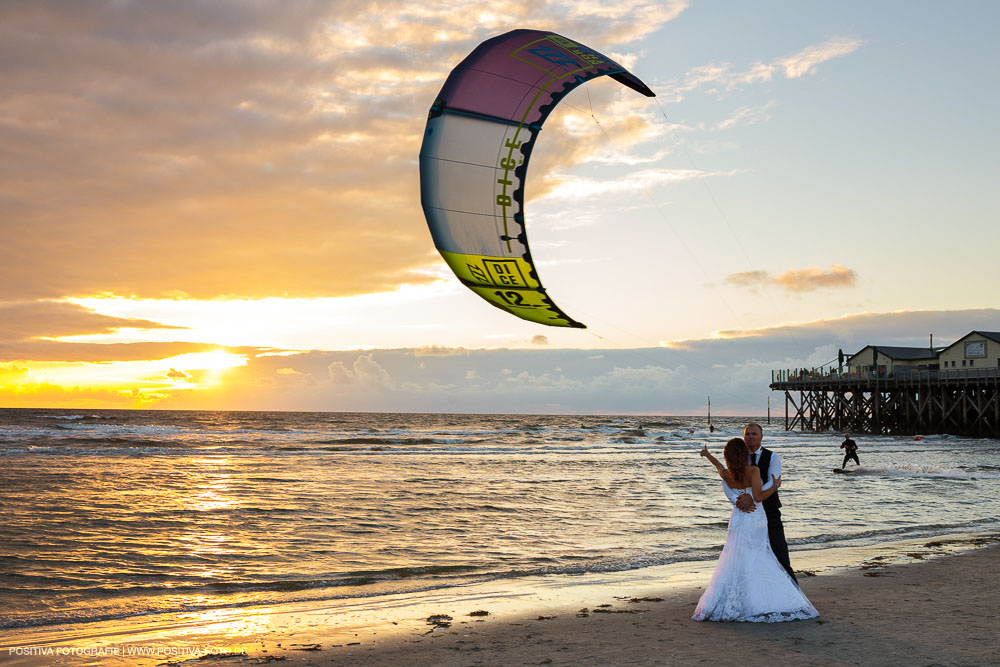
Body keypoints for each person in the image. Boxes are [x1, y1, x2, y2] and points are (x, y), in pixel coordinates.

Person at [692, 438, 818, 622]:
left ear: (727, 456)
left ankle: (739, 598)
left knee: (736, 555)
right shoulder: (753, 470)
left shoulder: (726, 474)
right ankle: (760, 600)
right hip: (755, 517)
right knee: (758, 554)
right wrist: (775, 486)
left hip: (737, 518)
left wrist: (707, 455)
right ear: (744, 454)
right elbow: (758, 497)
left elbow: (718, 466)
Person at [735, 422, 796, 582]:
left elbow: (772, 481)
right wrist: (743, 497)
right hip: (748, 513)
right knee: (749, 555)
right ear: (744, 437)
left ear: (761, 437)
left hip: (770, 511)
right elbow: (732, 481)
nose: (751, 437)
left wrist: (753, 496)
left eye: (754, 434)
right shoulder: (739, 458)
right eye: (747, 434)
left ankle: (795, 592)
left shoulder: (773, 457)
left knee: (779, 551)